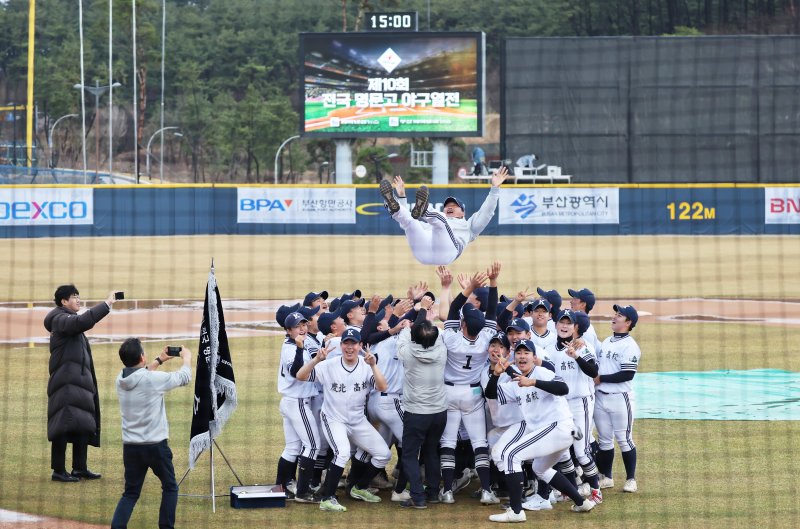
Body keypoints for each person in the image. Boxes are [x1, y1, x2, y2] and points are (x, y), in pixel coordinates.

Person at [296, 329, 392, 513]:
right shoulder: (329, 365)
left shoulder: (366, 366)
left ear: (360, 346)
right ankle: (327, 498)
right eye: (346, 343)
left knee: (383, 454)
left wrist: (373, 365)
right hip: (334, 419)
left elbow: (382, 386)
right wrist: (316, 360)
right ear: (341, 346)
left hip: (357, 421)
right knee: (342, 452)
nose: (350, 347)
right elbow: (300, 376)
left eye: (353, 343)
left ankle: (359, 488)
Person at [110, 339, 192, 529]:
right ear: (141, 357)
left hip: (131, 447)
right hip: (156, 447)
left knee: (130, 493)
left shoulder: (120, 379)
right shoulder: (153, 380)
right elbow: (184, 378)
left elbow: (140, 376)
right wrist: (186, 359)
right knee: (170, 487)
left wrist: (159, 360)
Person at [44, 285, 118, 482]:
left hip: (79, 383)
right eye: (74, 297)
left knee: (83, 422)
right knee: (62, 424)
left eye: (78, 296)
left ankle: (80, 468)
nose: (78, 300)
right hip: (65, 384)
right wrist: (106, 304)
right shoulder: (60, 319)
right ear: (63, 302)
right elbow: (81, 322)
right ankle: (58, 470)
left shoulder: (67, 320)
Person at [378, 168, 509, 265]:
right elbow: (406, 219)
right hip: (422, 254)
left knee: (441, 221)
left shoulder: (470, 227)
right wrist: (401, 196)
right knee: (410, 223)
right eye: (447, 205)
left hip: (447, 254)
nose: (449, 207)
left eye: (455, 205)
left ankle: (424, 210)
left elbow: (487, 212)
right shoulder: (431, 224)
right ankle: (393, 207)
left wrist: (495, 189)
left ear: (463, 212)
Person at [395, 294, 448, 508]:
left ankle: (417, 497)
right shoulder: (442, 350)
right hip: (439, 412)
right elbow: (431, 332)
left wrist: (421, 310)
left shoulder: (407, 352)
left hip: (416, 413)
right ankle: (433, 493)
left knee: (409, 454)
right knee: (431, 450)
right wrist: (428, 316)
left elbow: (409, 332)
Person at [594, 304, 642, 494]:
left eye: (619, 315)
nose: (614, 317)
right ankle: (606, 477)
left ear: (628, 322)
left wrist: (600, 379)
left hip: (620, 399)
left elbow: (627, 375)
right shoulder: (607, 341)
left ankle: (631, 479)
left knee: (624, 439)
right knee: (604, 440)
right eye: (615, 314)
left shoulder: (630, 346)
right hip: (601, 397)